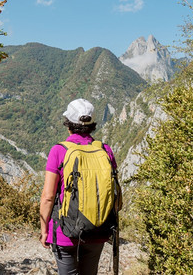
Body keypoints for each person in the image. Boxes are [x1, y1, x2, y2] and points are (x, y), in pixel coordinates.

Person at [39, 98, 119, 275]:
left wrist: (44, 229)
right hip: (97, 229)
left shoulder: (59, 151)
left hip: (65, 231)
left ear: (68, 123)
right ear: (92, 124)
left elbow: (48, 196)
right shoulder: (106, 150)